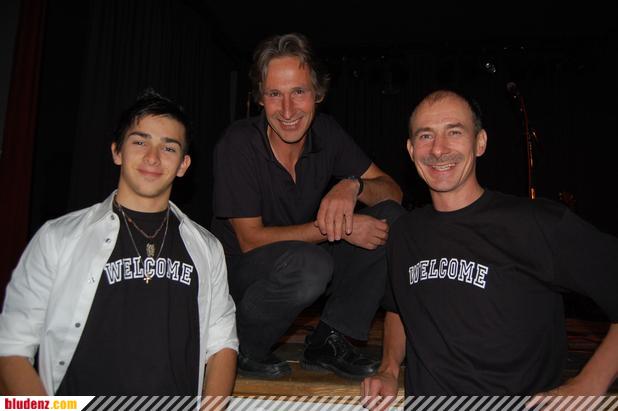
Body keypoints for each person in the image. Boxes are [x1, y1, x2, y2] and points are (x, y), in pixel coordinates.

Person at [361, 89, 618, 402]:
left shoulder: (535, 223)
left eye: (454, 132)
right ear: (411, 150)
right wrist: (388, 368)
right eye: (426, 136)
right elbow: (398, 309)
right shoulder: (405, 232)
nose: (438, 149)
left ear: (480, 142)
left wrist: (590, 383)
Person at [0, 90, 238, 397]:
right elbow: (11, 346)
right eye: (140, 142)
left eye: (169, 147)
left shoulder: (207, 248)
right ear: (117, 151)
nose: (152, 157)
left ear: (183, 164)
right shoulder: (58, 237)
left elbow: (222, 344)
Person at [211, 33, 406, 380]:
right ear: (260, 98)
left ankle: (329, 340)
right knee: (311, 263)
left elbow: (393, 191)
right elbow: (250, 240)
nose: (288, 110)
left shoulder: (326, 133)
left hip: (305, 263)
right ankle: (243, 344)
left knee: (390, 218)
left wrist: (353, 186)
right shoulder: (238, 144)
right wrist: (337, 227)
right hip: (244, 277)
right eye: (275, 94)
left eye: (298, 92)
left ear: (317, 93)